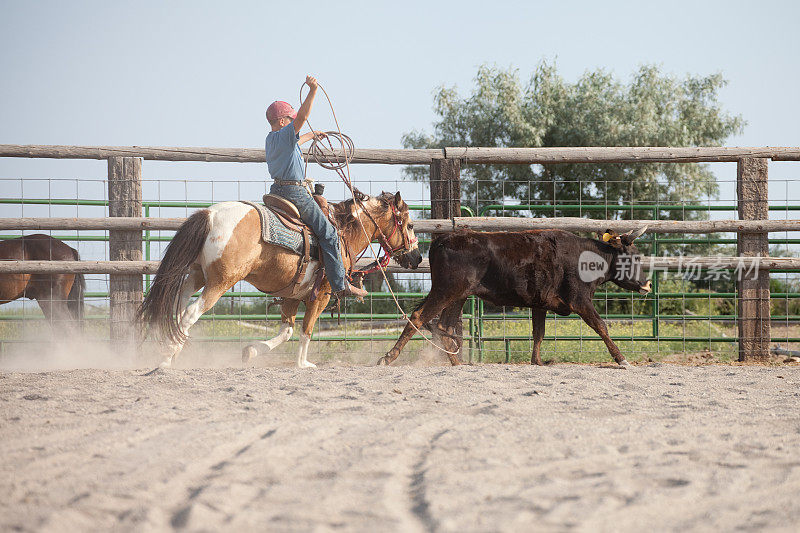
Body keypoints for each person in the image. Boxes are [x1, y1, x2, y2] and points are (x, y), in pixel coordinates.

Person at [265, 75, 368, 298]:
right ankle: (340, 284)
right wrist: (313, 91)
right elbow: (302, 116)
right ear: (283, 122)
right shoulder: (285, 134)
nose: (294, 123)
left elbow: (296, 139)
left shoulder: (272, 139)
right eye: (290, 120)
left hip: (277, 191)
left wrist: (312, 135)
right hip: (295, 193)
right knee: (329, 233)